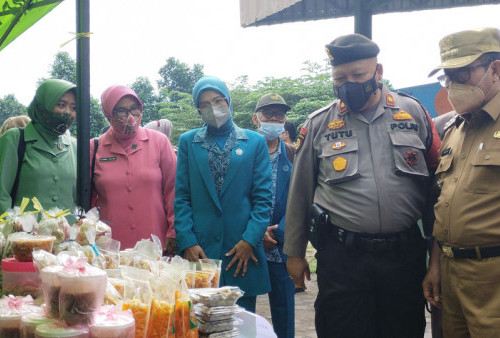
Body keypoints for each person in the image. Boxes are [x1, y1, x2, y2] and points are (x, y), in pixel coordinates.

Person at [284, 33, 441, 338]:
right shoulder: (318, 124)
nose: (349, 84)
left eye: (358, 75)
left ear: (378, 72)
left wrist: (435, 256)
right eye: (340, 77)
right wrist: (295, 253)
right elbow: (299, 193)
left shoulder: (413, 113)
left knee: (404, 329)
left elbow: (436, 189)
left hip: (403, 255)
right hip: (344, 257)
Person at [423, 27, 500, 337]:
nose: (453, 84)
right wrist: (436, 264)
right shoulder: (455, 129)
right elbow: (446, 204)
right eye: (448, 76)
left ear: (495, 69)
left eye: (463, 73)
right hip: (452, 273)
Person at [174, 76, 272, 312]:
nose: (213, 108)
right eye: (205, 104)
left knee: (241, 324)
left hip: (241, 251)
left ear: (228, 102)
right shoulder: (189, 142)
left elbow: (263, 199)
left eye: (218, 101)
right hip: (202, 251)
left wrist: (250, 240)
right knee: (200, 321)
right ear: (198, 110)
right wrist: (187, 241)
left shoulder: (255, 142)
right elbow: (182, 197)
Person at [90, 85, 176, 251]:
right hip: (110, 245)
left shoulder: (159, 142)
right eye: (121, 111)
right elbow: (88, 200)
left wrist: (173, 231)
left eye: (134, 109)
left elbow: (173, 190)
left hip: (155, 239)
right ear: (108, 115)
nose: (130, 117)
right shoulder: (95, 148)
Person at [0, 79, 77, 213]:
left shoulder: (73, 147)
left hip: (67, 232)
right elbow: (2, 194)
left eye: (73, 108)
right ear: (43, 106)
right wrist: (10, 228)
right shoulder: (15, 139)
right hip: (23, 232)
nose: (68, 112)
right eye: (61, 105)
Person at [253, 93, 295, 338]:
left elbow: (300, 199)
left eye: (280, 114)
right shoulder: (245, 151)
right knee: (242, 304)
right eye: (269, 114)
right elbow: (237, 198)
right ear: (256, 118)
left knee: (284, 308)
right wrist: (257, 233)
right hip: (249, 242)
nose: (275, 118)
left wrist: (278, 232)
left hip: (281, 243)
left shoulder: (292, 154)